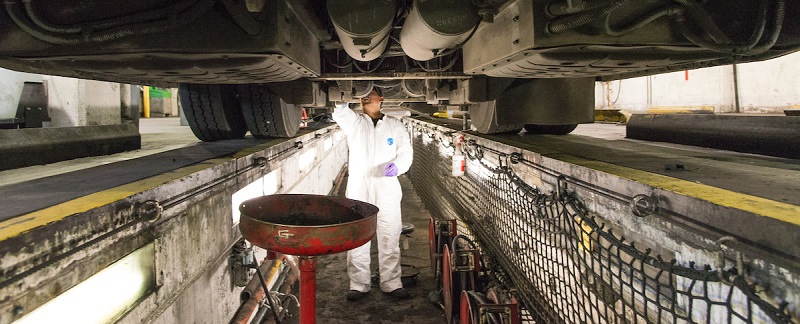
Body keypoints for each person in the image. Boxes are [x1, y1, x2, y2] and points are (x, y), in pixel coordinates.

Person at [332, 86, 413, 301]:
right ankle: (359, 284)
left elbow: (406, 153)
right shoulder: (355, 123)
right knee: (358, 235)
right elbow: (341, 113)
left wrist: (398, 166)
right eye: (362, 94)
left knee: (389, 234)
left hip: (386, 188)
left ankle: (392, 282)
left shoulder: (395, 126)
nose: (366, 96)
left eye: (371, 93)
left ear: (381, 98)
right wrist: (340, 100)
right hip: (359, 189)